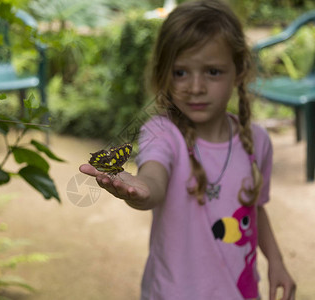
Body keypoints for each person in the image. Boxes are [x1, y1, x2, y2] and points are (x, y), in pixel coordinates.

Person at [80, 0, 296, 299]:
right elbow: (153, 178)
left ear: (239, 71)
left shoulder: (258, 141)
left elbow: (255, 208)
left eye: (212, 72)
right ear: (164, 74)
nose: (195, 86)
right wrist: (141, 188)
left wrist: (277, 260)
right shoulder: (161, 132)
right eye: (181, 72)